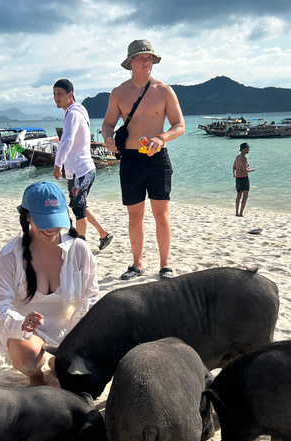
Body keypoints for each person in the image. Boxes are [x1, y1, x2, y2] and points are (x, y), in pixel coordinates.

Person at [0, 182, 99, 387]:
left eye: (56, 220)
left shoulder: (79, 249)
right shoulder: (10, 256)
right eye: (44, 221)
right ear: (27, 216)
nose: (51, 229)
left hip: (70, 330)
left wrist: (80, 338)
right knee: (28, 354)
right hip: (29, 336)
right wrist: (21, 322)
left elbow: (92, 297)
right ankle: (40, 374)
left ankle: (59, 362)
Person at [102, 39, 185, 280]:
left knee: (161, 215)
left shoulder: (164, 91)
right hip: (130, 159)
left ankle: (165, 265)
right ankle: (137, 264)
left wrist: (161, 138)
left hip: (157, 158)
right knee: (135, 215)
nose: (146, 61)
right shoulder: (119, 93)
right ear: (130, 62)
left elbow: (179, 125)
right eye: (141, 57)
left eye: (149, 57)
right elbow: (108, 124)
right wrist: (108, 138)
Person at [52, 79, 113, 251]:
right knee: (80, 204)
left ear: (70, 94)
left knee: (78, 209)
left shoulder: (73, 114)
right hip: (79, 170)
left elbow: (68, 140)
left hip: (81, 170)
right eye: (54, 94)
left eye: (60, 94)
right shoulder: (76, 110)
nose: (57, 98)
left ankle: (80, 247)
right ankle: (103, 234)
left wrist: (58, 164)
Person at [233, 142, 255, 217]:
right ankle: (241, 213)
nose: (248, 149)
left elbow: (234, 167)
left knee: (238, 195)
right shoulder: (244, 158)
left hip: (238, 178)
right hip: (244, 178)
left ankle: (236, 212)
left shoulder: (237, 157)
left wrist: (234, 175)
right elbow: (245, 170)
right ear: (244, 149)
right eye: (247, 148)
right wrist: (251, 169)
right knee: (245, 196)